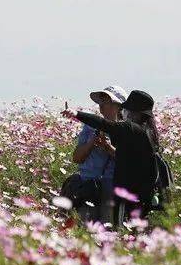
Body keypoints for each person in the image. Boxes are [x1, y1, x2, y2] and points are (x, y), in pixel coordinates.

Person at [62, 90, 159, 225]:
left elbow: (104, 124)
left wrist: (77, 114)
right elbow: (128, 159)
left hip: (122, 192)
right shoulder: (148, 132)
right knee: (113, 229)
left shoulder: (131, 129)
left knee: (108, 229)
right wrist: (104, 146)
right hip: (137, 195)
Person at [71, 86, 127, 223]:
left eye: (106, 101)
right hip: (88, 185)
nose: (101, 106)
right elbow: (77, 158)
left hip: (112, 188)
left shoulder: (127, 130)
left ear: (118, 106)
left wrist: (107, 147)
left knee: (108, 230)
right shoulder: (90, 127)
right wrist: (92, 143)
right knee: (85, 231)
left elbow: (128, 162)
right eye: (101, 102)